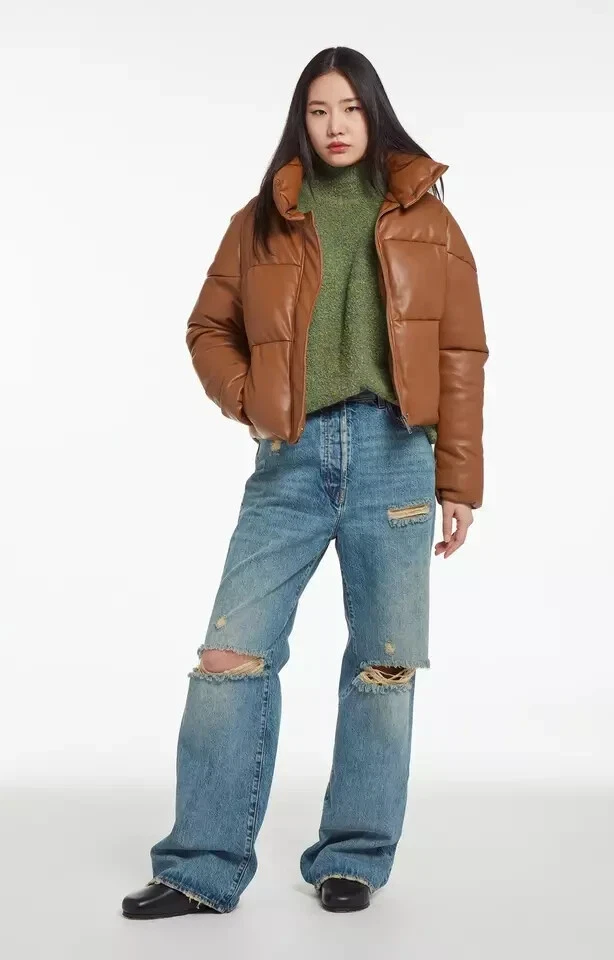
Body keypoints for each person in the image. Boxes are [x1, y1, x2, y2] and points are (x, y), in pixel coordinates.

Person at [122, 45, 488, 920]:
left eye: (350, 109)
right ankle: (201, 866)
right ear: (302, 120)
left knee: (384, 665)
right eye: (319, 111)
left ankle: (352, 857)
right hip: (290, 461)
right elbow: (207, 327)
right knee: (230, 655)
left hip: (397, 452)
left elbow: (461, 352)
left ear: (374, 114)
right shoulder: (261, 221)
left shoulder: (430, 221)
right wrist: (250, 398)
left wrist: (460, 481)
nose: (335, 126)